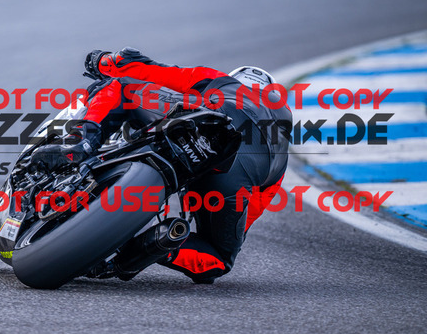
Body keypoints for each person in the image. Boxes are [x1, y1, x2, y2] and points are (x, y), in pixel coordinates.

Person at [32, 47, 292, 284]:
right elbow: (248, 215)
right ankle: (150, 247)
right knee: (219, 258)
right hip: (234, 174)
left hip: (202, 121)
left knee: (119, 87)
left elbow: (146, 69)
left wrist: (103, 61)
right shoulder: (281, 152)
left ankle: (83, 141)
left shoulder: (222, 80)